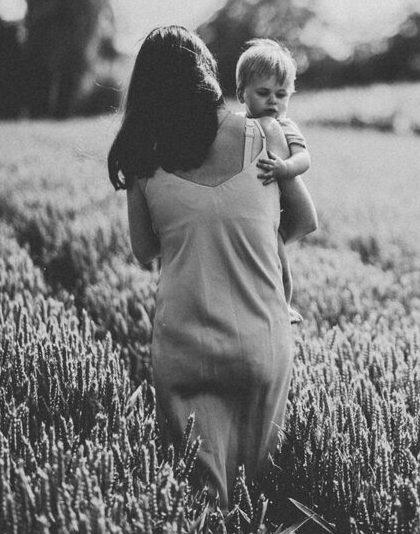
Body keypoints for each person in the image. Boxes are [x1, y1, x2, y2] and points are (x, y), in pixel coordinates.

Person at [107, 25, 318, 507]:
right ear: (209, 76)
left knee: (199, 505)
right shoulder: (265, 134)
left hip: (185, 347)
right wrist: (254, 242)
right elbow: (304, 221)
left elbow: (145, 252)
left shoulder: (143, 161)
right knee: (257, 499)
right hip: (260, 338)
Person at [235, 38, 311, 325]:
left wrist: (284, 167)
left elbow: (304, 159)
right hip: (247, 208)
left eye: (281, 94)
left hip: (274, 215)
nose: (273, 101)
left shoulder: (286, 127)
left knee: (279, 263)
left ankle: (285, 305)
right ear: (242, 94)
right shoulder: (238, 123)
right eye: (263, 92)